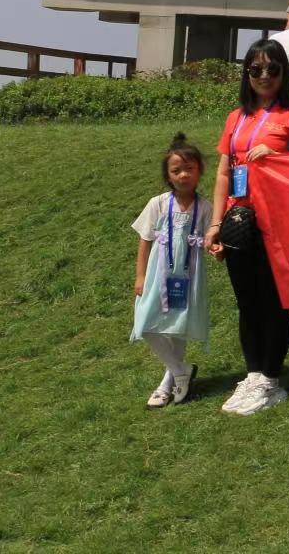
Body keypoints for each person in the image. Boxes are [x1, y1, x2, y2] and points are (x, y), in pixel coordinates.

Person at [204, 41, 289, 416]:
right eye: (256, 69)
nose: (264, 76)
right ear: (246, 74)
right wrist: (216, 223)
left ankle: (272, 380)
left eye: (272, 69)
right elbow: (223, 172)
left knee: (273, 301)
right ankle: (253, 373)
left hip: (277, 222)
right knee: (247, 302)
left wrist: (279, 157)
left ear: (283, 74)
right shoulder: (236, 117)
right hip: (238, 221)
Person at [131, 134, 212, 408]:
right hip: (159, 274)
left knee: (178, 327)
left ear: (199, 171)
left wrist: (215, 246)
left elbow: (211, 239)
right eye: (176, 170)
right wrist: (140, 276)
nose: (183, 175)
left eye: (189, 168)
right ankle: (181, 370)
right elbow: (145, 241)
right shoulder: (157, 203)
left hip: (189, 276)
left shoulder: (205, 207)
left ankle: (167, 384)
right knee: (146, 324)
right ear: (168, 175)